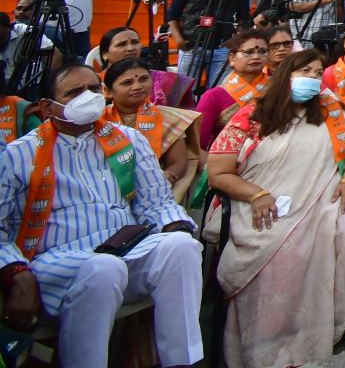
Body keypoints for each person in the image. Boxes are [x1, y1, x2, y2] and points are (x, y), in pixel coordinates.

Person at [0, 64, 202, 368]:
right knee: (104, 267)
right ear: (46, 107)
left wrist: (174, 227)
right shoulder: (19, 154)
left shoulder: (128, 140)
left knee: (182, 246)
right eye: (74, 93)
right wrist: (16, 271)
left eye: (94, 89)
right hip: (58, 262)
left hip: (126, 252)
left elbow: (157, 203)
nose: (89, 97)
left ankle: (182, 361)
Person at [208, 49, 345, 365]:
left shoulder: (330, 110)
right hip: (264, 200)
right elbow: (218, 173)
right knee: (286, 246)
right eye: (305, 72)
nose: (313, 79)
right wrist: (256, 195)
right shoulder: (251, 115)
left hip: (324, 195)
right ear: (285, 75)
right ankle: (271, 346)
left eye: (318, 73)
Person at [99, 57, 201, 199]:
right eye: (127, 82)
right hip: (107, 190)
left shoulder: (169, 118)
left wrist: (162, 178)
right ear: (109, 91)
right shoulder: (99, 121)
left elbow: (179, 162)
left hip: (157, 190)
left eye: (143, 79)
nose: (137, 86)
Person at [168, 0, 253, 88]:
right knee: (184, 92)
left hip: (221, 46)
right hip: (191, 44)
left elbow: (244, 16)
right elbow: (172, 14)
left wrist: (236, 39)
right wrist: (179, 40)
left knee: (219, 91)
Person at [194, 29, 272, 150]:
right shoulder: (214, 96)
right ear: (232, 58)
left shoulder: (279, 88)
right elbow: (197, 147)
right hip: (226, 163)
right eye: (249, 52)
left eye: (262, 51)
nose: (256, 56)